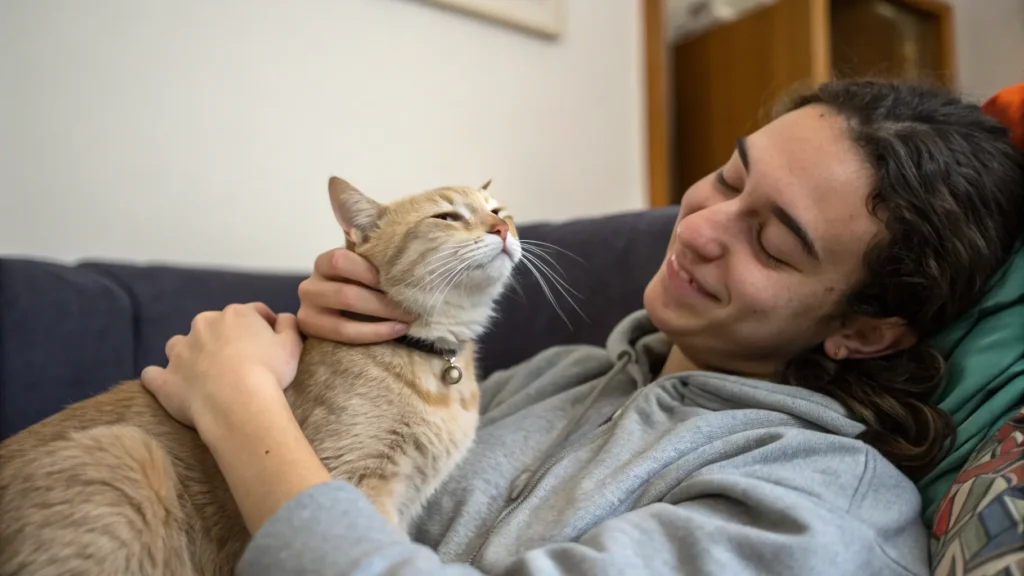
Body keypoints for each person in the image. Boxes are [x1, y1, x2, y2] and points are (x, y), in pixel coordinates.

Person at [141, 79, 1024, 575]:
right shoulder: (558, 374)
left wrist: (241, 405)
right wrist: (331, 347)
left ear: (866, 331)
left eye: (770, 241)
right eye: (726, 177)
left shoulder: (820, 508)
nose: (701, 226)